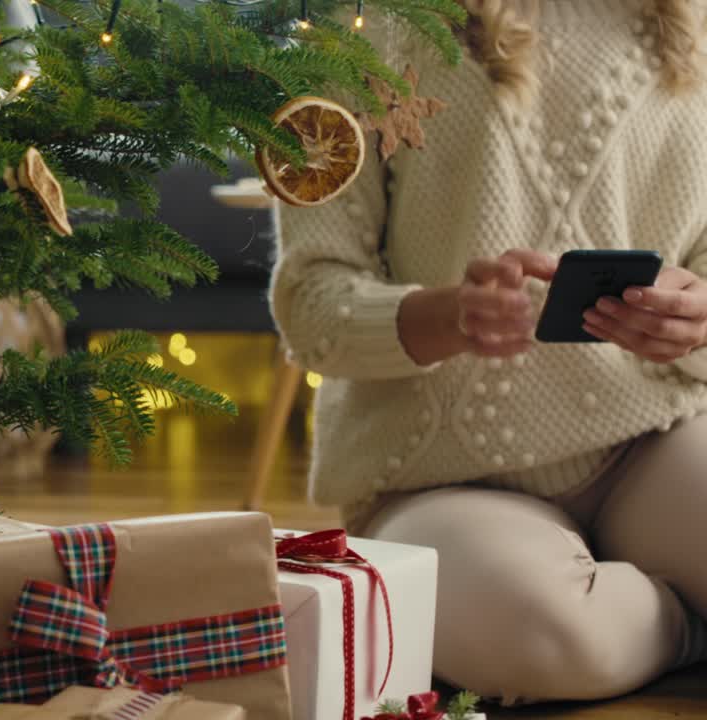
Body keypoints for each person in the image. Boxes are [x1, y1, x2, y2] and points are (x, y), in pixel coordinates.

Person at [270, 0, 707, 705]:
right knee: (542, 638)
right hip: (432, 474)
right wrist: (440, 319)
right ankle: (680, 620)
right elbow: (310, 302)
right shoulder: (362, 31)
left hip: (650, 442)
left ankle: (624, 599)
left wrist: (698, 317)